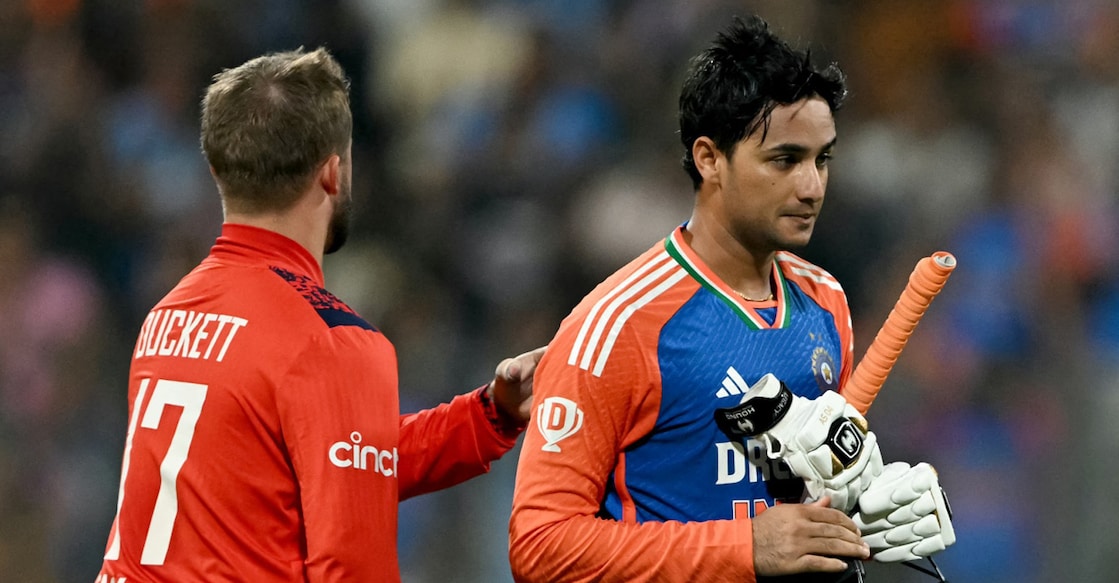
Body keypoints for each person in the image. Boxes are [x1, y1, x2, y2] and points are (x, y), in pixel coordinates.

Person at [509, 15, 952, 583]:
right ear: (709, 158)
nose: (811, 186)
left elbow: (812, 488)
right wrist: (743, 546)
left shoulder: (824, 300)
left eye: (823, 160)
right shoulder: (616, 325)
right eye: (785, 160)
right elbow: (540, 546)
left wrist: (865, 507)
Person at [95, 47, 544, 582]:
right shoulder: (332, 342)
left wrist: (489, 415)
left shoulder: (166, 317)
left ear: (217, 169)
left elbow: (317, 460)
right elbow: (352, 564)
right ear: (333, 173)